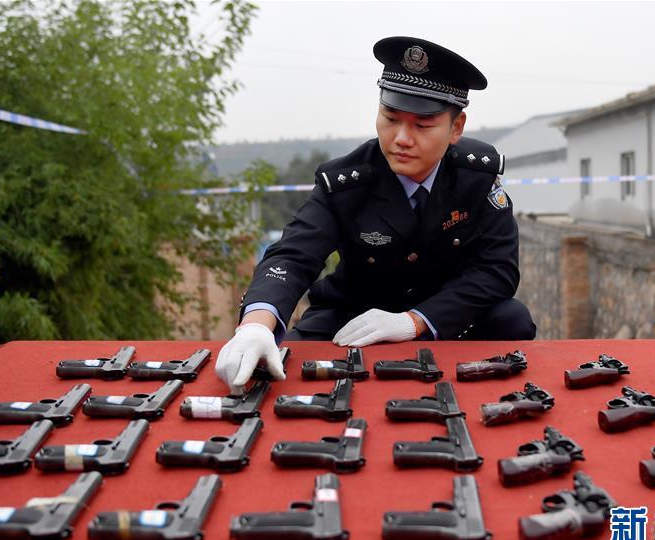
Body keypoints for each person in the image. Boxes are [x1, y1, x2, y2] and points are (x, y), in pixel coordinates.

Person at [215, 36, 536, 391]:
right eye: (390, 118)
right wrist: (257, 324)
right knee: (281, 365)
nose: (401, 138)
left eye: (422, 125)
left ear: (455, 127)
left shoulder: (476, 176)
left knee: (512, 319)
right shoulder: (347, 183)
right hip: (352, 318)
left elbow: (497, 270)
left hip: (445, 317)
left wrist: (414, 321)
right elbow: (293, 255)